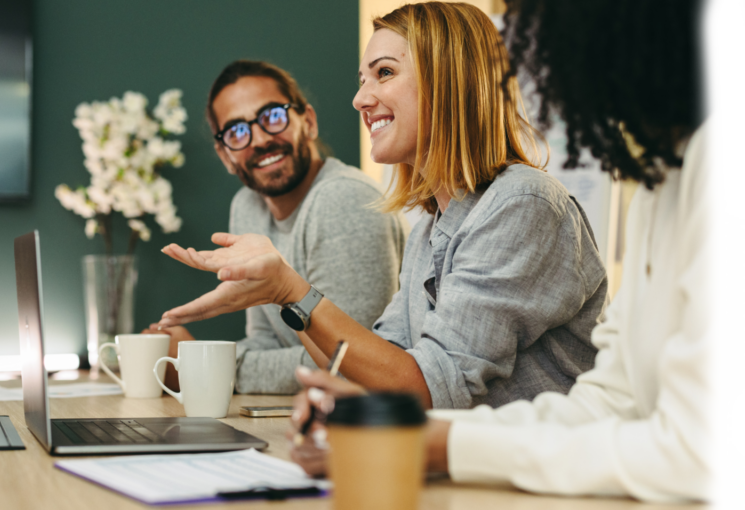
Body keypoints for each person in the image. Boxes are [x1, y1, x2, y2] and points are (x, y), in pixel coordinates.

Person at [289, 0, 743, 503]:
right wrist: (403, 431)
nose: (538, 61)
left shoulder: (530, 200)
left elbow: (715, 454)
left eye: (385, 73)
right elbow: (610, 401)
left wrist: (440, 446)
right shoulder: (666, 183)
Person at [156, 3, 606, 410]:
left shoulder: (522, 204)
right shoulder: (432, 228)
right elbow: (371, 367)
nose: (360, 99)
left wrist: (289, 290)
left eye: (384, 73)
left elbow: (429, 386)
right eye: (362, 80)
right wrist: (281, 297)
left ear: (447, 78)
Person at [145, 60, 406, 394]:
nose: (259, 139)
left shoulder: (344, 199)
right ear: (225, 156)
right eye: (237, 131)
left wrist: (202, 366)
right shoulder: (247, 206)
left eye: (272, 116)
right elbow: (265, 342)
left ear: (308, 122)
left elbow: (348, 367)